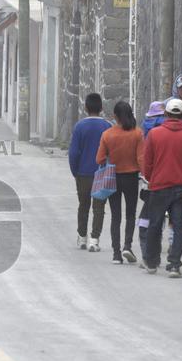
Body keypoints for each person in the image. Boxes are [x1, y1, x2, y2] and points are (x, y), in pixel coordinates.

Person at [141, 98, 182, 277]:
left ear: (166, 114)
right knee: (178, 226)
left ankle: (152, 261)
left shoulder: (154, 134)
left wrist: (151, 177)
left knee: (155, 224)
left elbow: (147, 163)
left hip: (159, 186)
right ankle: (174, 264)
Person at [96, 101, 144, 264]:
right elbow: (141, 158)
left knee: (115, 216)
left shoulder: (107, 134)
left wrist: (111, 157)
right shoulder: (137, 133)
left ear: (115, 116)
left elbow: (99, 158)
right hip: (131, 177)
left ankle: (116, 254)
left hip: (112, 177)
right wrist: (146, 175)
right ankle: (127, 246)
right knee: (131, 214)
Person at [68, 93, 111, 252]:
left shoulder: (79, 126)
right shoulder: (107, 126)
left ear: (85, 107)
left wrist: (75, 171)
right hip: (101, 173)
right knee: (99, 207)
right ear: (101, 108)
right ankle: (94, 239)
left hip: (83, 173)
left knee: (83, 205)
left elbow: (73, 153)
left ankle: (82, 238)